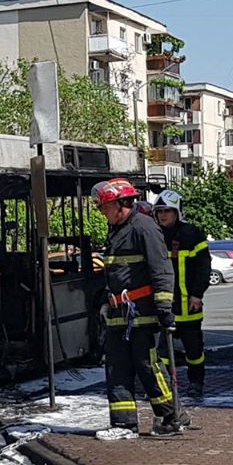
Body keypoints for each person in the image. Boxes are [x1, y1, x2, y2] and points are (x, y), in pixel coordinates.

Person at [94, 178, 184, 439]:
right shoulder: (117, 229)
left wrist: (164, 307)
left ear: (121, 204)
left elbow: (161, 269)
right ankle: (123, 424)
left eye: (105, 206)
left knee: (147, 365)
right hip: (118, 313)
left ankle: (171, 417)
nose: (102, 211)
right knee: (117, 368)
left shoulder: (144, 227)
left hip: (142, 313)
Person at [153, 189, 212, 402]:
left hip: (189, 306)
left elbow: (204, 267)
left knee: (194, 351)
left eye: (168, 211)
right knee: (162, 353)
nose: (163, 215)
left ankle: (196, 383)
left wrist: (197, 294)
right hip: (164, 306)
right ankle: (165, 386)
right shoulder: (154, 236)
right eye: (160, 211)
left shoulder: (192, 235)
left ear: (177, 212)